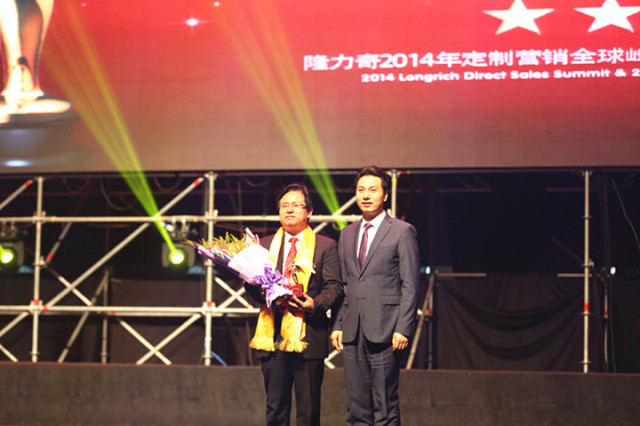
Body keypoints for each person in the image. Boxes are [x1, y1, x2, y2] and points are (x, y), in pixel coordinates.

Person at [245, 183, 343, 426]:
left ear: (309, 211)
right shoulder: (263, 245)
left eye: (295, 205)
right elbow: (249, 283)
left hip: (308, 335)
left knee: (308, 410)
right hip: (272, 336)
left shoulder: (326, 245)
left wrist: (314, 304)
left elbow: (334, 286)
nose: (289, 210)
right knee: (275, 408)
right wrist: (265, 294)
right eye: (284, 206)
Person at [331, 165, 420, 425]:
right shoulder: (347, 233)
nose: (366, 195)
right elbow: (345, 284)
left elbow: (410, 284)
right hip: (352, 331)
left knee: (385, 405)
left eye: (372, 190)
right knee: (356, 407)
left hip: (386, 330)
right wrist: (338, 324)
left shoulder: (402, 231)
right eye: (361, 190)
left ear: (385, 195)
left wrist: (403, 328)